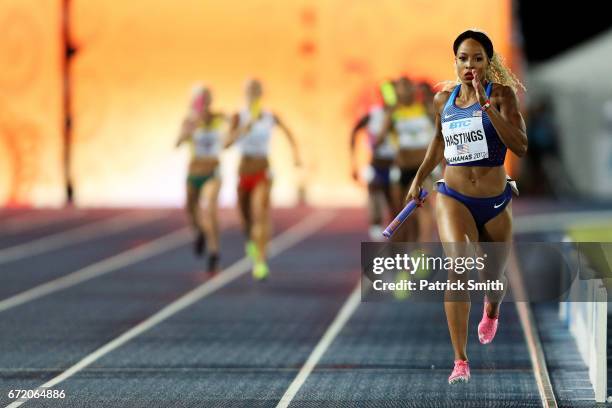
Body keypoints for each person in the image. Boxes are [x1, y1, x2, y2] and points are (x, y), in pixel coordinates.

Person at [405, 29, 527, 384]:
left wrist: (487, 107)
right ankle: (460, 360)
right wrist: (419, 178)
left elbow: (519, 146)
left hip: (494, 201)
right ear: (455, 62)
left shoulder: (502, 95)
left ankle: (492, 307)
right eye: (463, 58)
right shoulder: (443, 101)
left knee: (493, 281)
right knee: (459, 266)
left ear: (489, 63)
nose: (469, 65)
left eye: (477, 58)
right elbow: (439, 141)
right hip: (453, 196)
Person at [227, 78, 301, 280]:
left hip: (263, 170)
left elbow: (289, 134)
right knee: (246, 219)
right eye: (249, 90)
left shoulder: (270, 116)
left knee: (260, 213)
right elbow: (225, 143)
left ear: (261, 93)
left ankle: (260, 262)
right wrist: (244, 129)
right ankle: (251, 240)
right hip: (244, 170)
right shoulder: (238, 116)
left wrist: (296, 157)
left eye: (256, 90)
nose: (253, 93)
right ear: (244, 93)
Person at [176, 84, 227, 273]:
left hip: (212, 171)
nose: (203, 104)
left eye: (206, 100)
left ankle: (214, 252)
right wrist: (187, 131)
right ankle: (199, 233)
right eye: (199, 101)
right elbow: (177, 143)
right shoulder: (189, 121)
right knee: (191, 210)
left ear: (210, 101)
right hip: (193, 172)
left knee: (210, 210)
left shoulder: (219, 119)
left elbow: (230, 128)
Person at [378, 76, 435, 243]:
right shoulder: (393, 113)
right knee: (404, 213)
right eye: (400, 89)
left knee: (423, 209)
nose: (403, 92)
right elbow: (379, 139)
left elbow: (440, 131)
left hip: (422, 168)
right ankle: (409, 250)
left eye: (407, 87)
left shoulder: (425, 109)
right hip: (402, 168)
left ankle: (423, 254)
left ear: (412, 90)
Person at [349, 80, 398, 240]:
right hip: (376, 163)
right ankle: (376, 227)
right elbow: (355, 132)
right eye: (385, 94)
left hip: (395, 164)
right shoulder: (373, 114)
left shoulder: (400, 115)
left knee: (394, 201)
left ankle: (395, 233)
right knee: (374, 195)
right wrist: (353, 162)